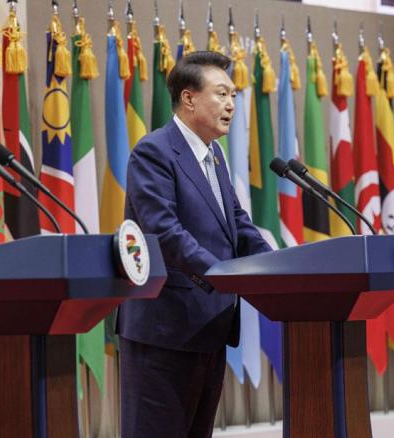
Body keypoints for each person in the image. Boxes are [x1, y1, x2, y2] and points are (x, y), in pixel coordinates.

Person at [117, 51, 272, 437]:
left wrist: (277, 268)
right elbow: (164, 231)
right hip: (164, 330)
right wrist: (219, 275)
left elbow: (237, 224)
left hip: (208, 326)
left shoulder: (213, 156)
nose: (232, 105)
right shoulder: (154, 151)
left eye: (234, 95)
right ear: (189, 99)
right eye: (221, 94)